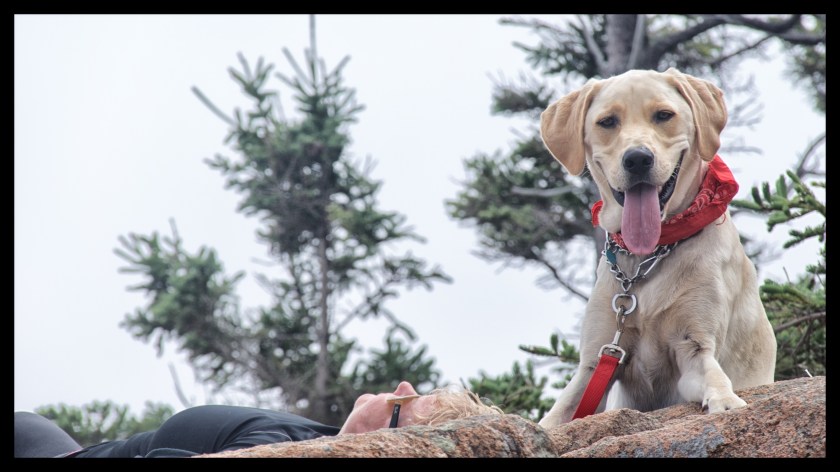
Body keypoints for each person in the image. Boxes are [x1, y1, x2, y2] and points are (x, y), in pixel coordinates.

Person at [14, 381, 503, 458]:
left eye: (406, 402)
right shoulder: (308, 436)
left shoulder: (282, 445)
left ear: (386, 440)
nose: (400, 387)